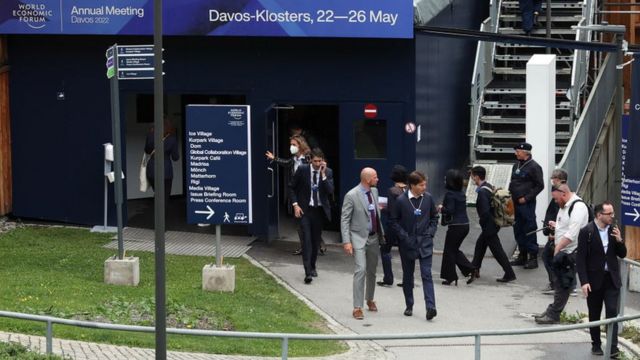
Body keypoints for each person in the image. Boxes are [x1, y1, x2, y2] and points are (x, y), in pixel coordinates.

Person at [576, 201, 626, 357]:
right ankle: (596, 344)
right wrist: (584, 282)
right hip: (594, 279)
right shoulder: (587, 231)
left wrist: (619, 240)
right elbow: (580, 259)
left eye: (613, 213)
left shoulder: (613, 230)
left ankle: (613, 347)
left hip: (611, 279)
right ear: (599, 215)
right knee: (594, 313)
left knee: (612, 312)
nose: (612, 216)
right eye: (609, 214)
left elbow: (622, 254)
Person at [535, 183, 589, 324]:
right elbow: (565, 227)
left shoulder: (578, 207)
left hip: (571, 252)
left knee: (563, 284)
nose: (555, 201)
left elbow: (572, 233)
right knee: (560, 283)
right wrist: (556, 227)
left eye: (556, 198)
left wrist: (557, 248)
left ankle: (553, 314)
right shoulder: (564, 207)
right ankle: (552, 311)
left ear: (564, 194)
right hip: (564, 250)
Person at [390, 171, 438, 321]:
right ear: (412, 185)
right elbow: (394, 221)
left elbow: (434, 217)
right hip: (408, 244)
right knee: (408, 276)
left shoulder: (428, 199)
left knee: (426, 275)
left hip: (425, 243)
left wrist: (430, 233)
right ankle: (409, 304)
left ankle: (431, 307)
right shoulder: (401, 201)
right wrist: (404, 238)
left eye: (425, 184)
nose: (424, 187)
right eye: (421, 185)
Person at [266, 135, 324, 255]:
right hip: (297, 193)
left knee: (310, 222)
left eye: (294, 145)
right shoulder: (294, 159)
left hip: (308, 193)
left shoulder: (308, 158)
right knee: (300, 223)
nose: (291, 147)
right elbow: (287, 163)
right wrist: (274, 158)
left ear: (300, 146)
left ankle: (318, 243)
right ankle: (304, 247)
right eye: (291, 144)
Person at [341, 168, 384, 320]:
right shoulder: (351, 195)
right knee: (361, 269)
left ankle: (370, 298)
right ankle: (357, 307)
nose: (377, 179)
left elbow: (374, 213)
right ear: (367, 179)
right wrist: (347, 241)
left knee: (372, 270)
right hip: (358, 238)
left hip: (373, 237)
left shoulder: (374, 192)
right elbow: (345, 219)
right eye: (375, 177)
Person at [289, 148, 334, 284]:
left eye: (320, 161)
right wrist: (295, 204)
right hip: (305, 210)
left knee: (315, 242)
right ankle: (307, 272)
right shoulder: (302, 170)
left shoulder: (328, 172)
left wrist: (323, 175)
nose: (317, 164)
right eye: (315, 161)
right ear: (310, 160)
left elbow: (330, 191)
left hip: (319, 211)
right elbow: (291, 187)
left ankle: (313, 265)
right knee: (306, 241)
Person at [469, 166, 516, 283]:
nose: (471, 179)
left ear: (476, 177)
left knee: (497, 250)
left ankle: (509, 273)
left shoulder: (482, 192)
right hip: (494, 223)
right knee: (480, 244)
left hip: (489, 225)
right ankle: (474, 268)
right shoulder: (489, 186)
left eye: (472, 176)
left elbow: (484, 212)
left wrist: (484, 224)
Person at [509, 142, 544, 269]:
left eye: (518, 151)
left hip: (526, 204)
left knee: (529, 228)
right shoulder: (516, 165)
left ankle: (532, 258)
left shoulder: (534, 167)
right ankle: (522, 255)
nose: (516, 153)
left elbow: (540, 185)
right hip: (515, 203)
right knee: (518, 228)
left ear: (526, 152)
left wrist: (527, 198)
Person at [438, 168, 475, 286]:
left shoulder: (450, 194)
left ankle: (451, 276)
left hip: (456, 226)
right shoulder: (461, 193)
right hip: (465, 225)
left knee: (449, 251)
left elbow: (450, 210)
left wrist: (440, 208)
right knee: (453, 250)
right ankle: (469, 269)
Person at [377, 164, 408, 287]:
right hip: (405, 225)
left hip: (394, 225)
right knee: (404, 252)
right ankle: (407, 280)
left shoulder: (393, 191)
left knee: (385, 249)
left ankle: (388, 277)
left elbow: (392, 210)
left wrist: (381, 208)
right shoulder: (408, 190)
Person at [541, 168, 568, 295]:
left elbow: (559, 215)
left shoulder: (561, 194)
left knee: (548, 257)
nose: (552, 181)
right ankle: (562, 284)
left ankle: (556, 284)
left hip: (557, 234)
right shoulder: (561, 192)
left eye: (553, 178)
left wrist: (553, 232)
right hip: (556, 231)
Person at [145, 118, 180, 202]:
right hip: (166, 171)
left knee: (158, 194)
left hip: (151, 170)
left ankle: (156, 210)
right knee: (164, 198)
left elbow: (147, 150)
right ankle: (162, 214)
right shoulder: (172, 139)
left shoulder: (151, 135)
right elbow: (175, 158)